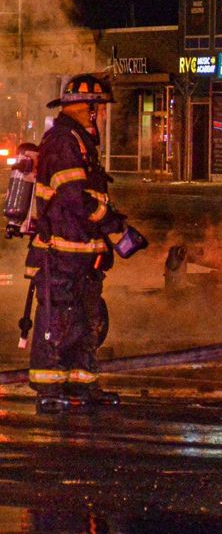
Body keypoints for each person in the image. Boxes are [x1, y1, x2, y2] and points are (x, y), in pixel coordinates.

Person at [25, 74, 132, 414]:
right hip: (61, 253)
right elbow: (76, 198)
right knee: (58, 318)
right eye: (99, 109)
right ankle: (49, 387)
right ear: (87, 108)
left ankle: (81, 384)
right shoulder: (62, 141)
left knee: (85, 321)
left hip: (82, 253)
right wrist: (114, 226)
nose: (101, 116)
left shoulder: (80, 142)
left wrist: (104, 242)